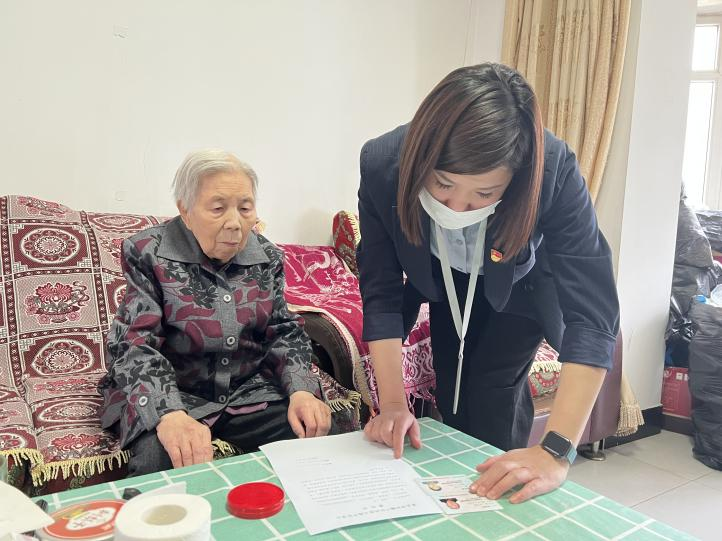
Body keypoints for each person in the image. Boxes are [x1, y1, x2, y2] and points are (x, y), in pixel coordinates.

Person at [357, 63, 619, 504]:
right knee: (450, 390)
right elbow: (380, 290)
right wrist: (394, 407)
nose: (457, 207)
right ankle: (451, 493)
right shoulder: (383, 163)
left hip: (518, 285)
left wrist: (555, 452)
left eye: (483, 194)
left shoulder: (552, 169)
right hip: (445, 280)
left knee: (491, 393)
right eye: (442, 184)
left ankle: (498, 494)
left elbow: (593, 315)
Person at [99, 149, 331, 476]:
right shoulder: (148, 252)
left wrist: (302, 390)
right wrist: (169, 414)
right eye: (218, 208)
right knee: (159, 461)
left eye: (245, 208)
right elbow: (134, 343)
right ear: (185, 209)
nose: (235, 223)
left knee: (317, 437)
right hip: (175, 391)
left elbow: (283, 330)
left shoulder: (267, 256)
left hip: (247, 390)